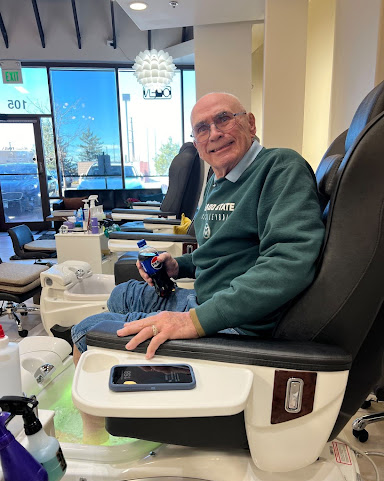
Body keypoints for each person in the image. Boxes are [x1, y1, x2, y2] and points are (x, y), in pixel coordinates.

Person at [71, 92, 325, 365]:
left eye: (223, 119)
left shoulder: (280, 167)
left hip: (238, 322)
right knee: (122, 294)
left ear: (250, 124)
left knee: (88, 331)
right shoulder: (218, 179)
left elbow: (288, 263)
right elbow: (218, 251)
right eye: (202, 128)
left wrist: (193, 322)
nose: (214, 134)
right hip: (204, 299)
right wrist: (177, 266)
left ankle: (107, 396)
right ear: (196, 141)